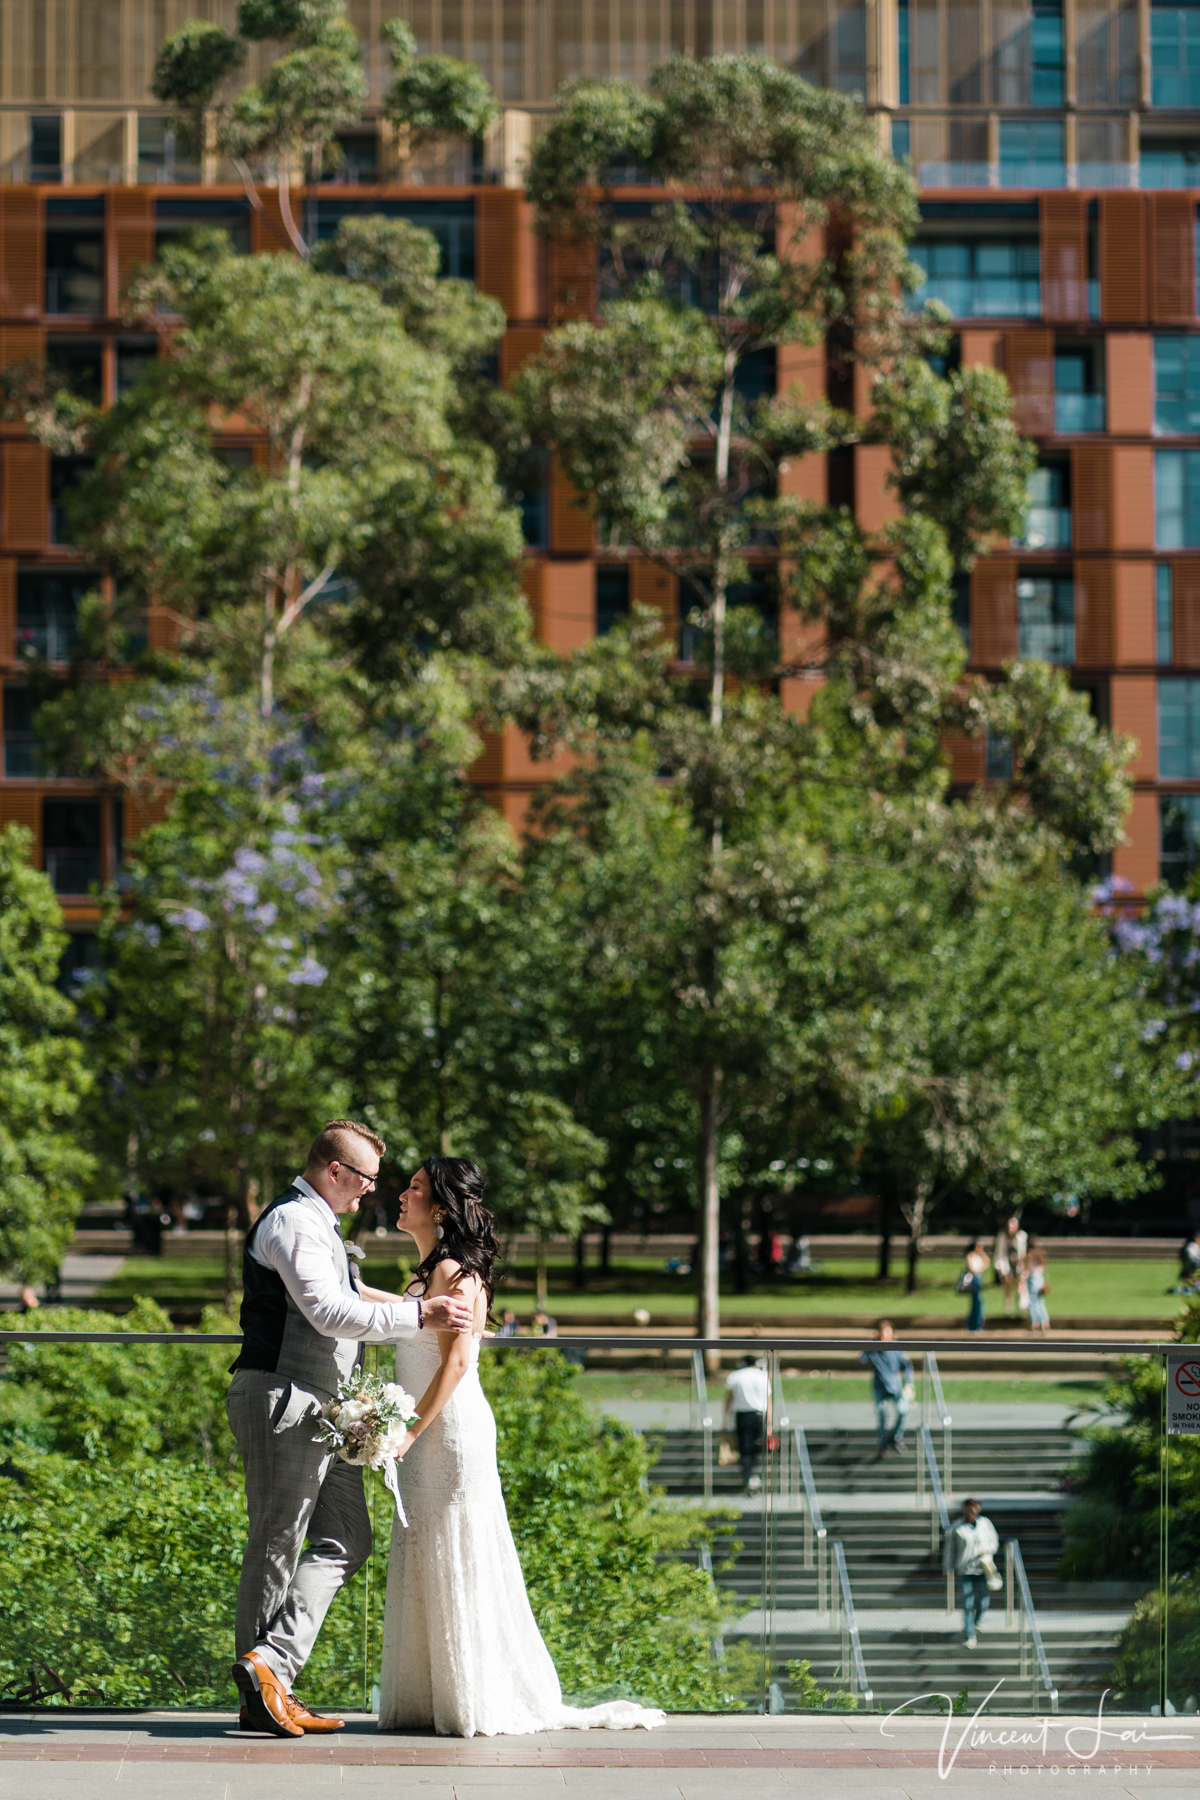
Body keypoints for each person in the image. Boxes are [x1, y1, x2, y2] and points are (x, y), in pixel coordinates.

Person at [378, 1157, 664, 1737]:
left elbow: (457, 1363)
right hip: (425, 1432)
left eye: (413, 1188)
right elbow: (399, 1313)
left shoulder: (459, 1273)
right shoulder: (430, 1271)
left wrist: (409, 1431)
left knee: (455, 1545)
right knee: (424, 1543)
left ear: (439, 1209)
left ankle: (470, 1697)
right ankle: (430, 1696)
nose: (400, 1196)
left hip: (448, 1433)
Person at [226, 1120, 475, 1740]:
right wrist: (423, 1311)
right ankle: (264, 1694)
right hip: (283, 1396)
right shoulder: (292, 1222)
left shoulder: (320, 1227)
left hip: (324, 1410)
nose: (371, 1193)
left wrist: (419, 1306)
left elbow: (352, 1292)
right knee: (277, 1541)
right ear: (335, 1172)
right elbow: (329, 1313)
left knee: (347, 1539)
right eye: (365, 1180)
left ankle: (270, 1667)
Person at [942, 1497, 1001, 1648]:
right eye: (968, 1509)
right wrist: (947, 1567)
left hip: (983, 1568)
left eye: (973, 1509)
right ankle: (970, 1634)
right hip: (965, 1569)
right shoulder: (956, 1527)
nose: (970, 1512)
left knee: (983, 1600)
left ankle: (976, 1621)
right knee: (968, 1603)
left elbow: (994, 1541)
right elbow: (950, 1549)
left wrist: (987, 1550)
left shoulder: (985, 1524)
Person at [860, 1321, 914, 1458]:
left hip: (895, 1386)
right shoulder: (873, 1349)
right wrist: (871, 1344)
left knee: (903, 1410)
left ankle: (895, 1438)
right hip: (880, 1386)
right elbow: (862, 1358)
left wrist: (909, 1383)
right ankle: (883, 1444)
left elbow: (907, 1366)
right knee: (882, 1413)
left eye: (888, 1333)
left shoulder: (897, 1349)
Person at [724, 1354, 771, 1493]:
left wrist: (726, 1418)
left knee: (745, 1446)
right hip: (759, 1415)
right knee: (755, 1446)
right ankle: (752, 1474)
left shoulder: (735, 1376)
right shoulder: (762, 1376)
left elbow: (729, 1399)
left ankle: (749, 1474)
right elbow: (768, 1401)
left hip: (743, 1415)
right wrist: (769, 1423)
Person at [992, 1216, 1028, 1317]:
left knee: (1019, 1289)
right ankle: (1008, 1310)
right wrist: (999, 1269)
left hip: (1018, 1267)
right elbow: (998, 1254)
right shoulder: (1002, 1237)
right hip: (1006, 1267)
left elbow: (1024, 1254)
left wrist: (1024, 1268)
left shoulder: (1022, 1236)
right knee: (1007, 1289)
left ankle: (1019, 1311)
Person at [960, 1239, 990, 1334]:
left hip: (978, 1280)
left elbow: (987, 1262)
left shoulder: (978, 1256)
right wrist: (980, 1269)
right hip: (974, 1281)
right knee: (976, 1303)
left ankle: (977, 1325)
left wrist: (982, 1253)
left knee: (979, 1303)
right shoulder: (970, 1256)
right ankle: (973, 1326)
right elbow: (972, 1269)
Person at [1027, 1239, 1050, 1332]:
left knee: (1033, 1302)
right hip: (1040, 1278)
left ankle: (1035, 1323)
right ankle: (1045, 1322)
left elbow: (1027, 1267)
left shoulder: (1031, 1255)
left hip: (1033, 1279)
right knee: (1040, 1301)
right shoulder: (1041, 1255)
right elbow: (1044, 1267)